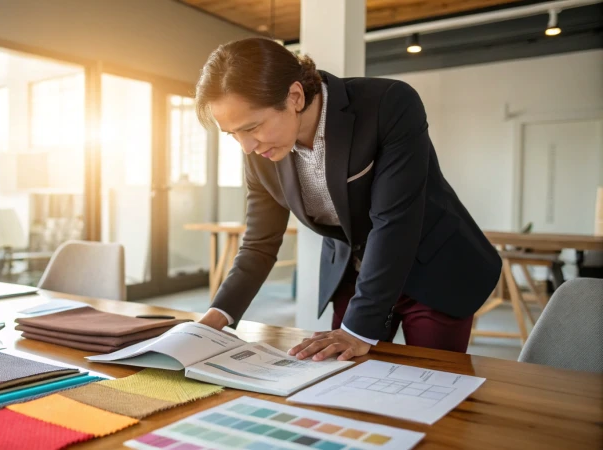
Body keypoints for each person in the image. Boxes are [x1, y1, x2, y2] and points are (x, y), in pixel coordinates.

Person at [194, 37, 501, 362]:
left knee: (431, 383)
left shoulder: (389, 104)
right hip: (354, 273)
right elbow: (260, 241)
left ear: (295, 96)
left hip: (430, 266)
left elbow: (393, 223)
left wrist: (357, 331)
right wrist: (215, 318)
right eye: (233, 134)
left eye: (251, 127)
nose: (246, 146)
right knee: (340, 378)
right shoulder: (260, 149)